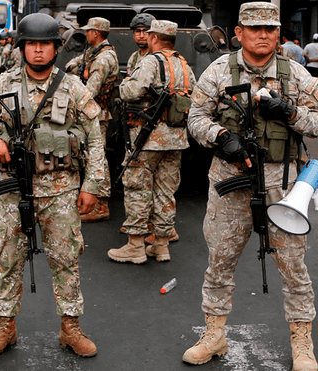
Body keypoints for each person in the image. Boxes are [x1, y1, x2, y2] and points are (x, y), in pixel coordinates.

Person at [183, 3, 318, 369]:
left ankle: (302, 341)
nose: (263, 35)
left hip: (283, 185)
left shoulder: (297, 75)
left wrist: (290, 114)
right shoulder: (218, 71)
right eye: (254, 29)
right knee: (220, 262)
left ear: (278, 33)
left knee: (293, 266)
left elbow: (317, 122)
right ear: (238, 33)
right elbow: (195, 117)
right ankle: (214, 334)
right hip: (230, 181)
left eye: (270, 29)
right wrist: (221, 136)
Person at [0, 13, 105, 357]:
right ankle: (5, 326)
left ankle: (70, 327)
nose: (38, 51)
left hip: (61, 190)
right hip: (14, 189)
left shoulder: (73, 87)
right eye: (32, 44)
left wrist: (92, 186)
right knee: (7, 257)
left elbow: (94, 139)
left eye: (45, 44)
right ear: (22, 47)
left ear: (55, 48)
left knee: (65, 257)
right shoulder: (4, 84)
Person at [109, 20, 195, 264]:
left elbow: (130, 92)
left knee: (138, 188)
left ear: (154, 38)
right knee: (166, 191)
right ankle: (161, 245)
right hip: (176, 138)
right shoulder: (184, 64)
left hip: (147, 137)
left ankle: (135, 246)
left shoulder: (150, 61)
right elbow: (194, 96)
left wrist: (125, 83)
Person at [65, 17, 116, 222]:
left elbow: (90, 91)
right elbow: (75, 62)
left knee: (98, 157)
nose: (85, 34)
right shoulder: (93, 53)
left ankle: (101, 205)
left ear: (96, 33)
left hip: (97, 113)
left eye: (88, 31)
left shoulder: (103, 58)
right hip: (90, 112)